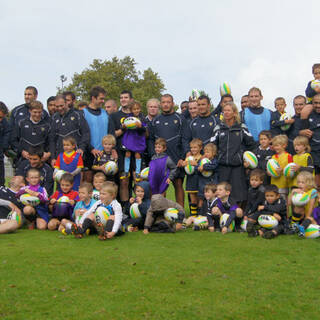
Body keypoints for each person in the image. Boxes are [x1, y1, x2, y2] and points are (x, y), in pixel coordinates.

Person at [211, 102, 255, 203]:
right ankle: (224, 218)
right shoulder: (218, 128)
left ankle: (238, 217)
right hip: (222, 166)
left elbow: (251, 144)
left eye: (228, 110)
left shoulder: (242, 127)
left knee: (238, 196)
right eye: (224, 110)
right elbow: (212, 145)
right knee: (221, 195)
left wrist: (246, 160)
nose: (226, 113)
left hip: (237, 167)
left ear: (234, 113)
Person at [148, 94, 186, 207]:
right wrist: (152, 155)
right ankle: (160, 213)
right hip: (160, 160)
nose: (165, 104)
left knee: (178, 185)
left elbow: (185, 139)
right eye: (163, 102)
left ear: (173, 104)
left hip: (176, 158)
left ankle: (181, 213)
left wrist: (182, 157)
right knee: (160, 187)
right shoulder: (155, 120)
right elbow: (150, 139)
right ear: (160, 104)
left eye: (168, 102)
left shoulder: (180, 119)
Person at [82, 86, 115, 182]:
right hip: (89, 154)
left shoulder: (106, 114)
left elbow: (111, 133)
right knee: (88, 184)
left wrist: (113, 149)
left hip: (105, 154)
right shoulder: (83, 113)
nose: (103, 101)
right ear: (93, 98)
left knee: (105, 186)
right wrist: (91, 149)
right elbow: (82, 135)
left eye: (104, 98)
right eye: (101, 98)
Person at [49, 94, 90, 166]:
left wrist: (81, 148)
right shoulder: (54, 118)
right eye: (57, 106)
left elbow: (86, 133)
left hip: (76, 156)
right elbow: (52, 139)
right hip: (60, 157)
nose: (59, 108)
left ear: (66, 103)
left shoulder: (77, 115)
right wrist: (53, 157)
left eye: (61, 106)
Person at [110, 90, 133, 208]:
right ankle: (124, 208)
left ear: (131, 100)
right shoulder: (114, 116)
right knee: (123, 181)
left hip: (135, 154)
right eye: (121, 97)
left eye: (126, 97)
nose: (123, 99)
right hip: (121, 153)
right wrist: (124, 128)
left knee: (136, 182)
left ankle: (135, 208)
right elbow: (112, 135)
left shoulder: (137, 115)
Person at [11, 100, 51, 166]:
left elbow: (51, 142)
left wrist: (48, 153)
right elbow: (13, 140)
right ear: (30, 111)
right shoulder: (21, 123)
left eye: (39, 112)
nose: (37, 114)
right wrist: (21, 151)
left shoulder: (47, 125)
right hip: (24, 160)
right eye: (35, 112)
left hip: (41, 161)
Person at [122, 100, 147, 181]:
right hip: (130, 138)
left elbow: (144, 130)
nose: (136, 110)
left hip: (138, 139)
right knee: (127, 153)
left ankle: (137, 172)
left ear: (140, 109)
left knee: (137, 154)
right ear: (131, 110)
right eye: (134, 109)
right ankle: (126, 171)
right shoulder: (128, 117)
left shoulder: (142, 118)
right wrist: (124, 126)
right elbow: (123, 127)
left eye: (138, 109)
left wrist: (140, 126)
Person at [299, 94, 320, 188]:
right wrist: (302, 131)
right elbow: (298, 132)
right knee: (315, 183)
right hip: (314, 153)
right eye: (315, 103)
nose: (318, 105)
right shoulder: (307, 115)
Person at [289, 172, 318, 237]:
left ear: (309, 183)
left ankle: (301, 228)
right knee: (298, 207)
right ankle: (294, 225)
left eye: (302, 182)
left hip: (312, 215)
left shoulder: (313, 191)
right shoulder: (299, 191)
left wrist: (307, 217)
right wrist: (293, 193)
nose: (300, 184)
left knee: (310, 219)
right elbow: (289, 203)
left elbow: (311, 206)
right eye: (298, 182)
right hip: (302, 214)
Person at [183, 138, 203, 216]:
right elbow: (186, 171)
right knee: (193, 200)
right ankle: (193, 216)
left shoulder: (202, 158)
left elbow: (203, 169)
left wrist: (196, 164)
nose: (193, 149)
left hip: (199, 181)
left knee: (199, 200)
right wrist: (184, 165)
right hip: (190, 181)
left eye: (195, 147)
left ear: (200, 148)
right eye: (191, 147)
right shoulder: (188, 158)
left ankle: (200, 215)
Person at [268, 135, 293, 199]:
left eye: (277, 145)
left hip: (283, 184)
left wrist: (283, 170)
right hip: (274, 184)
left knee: (283, 202)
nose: (275, 147)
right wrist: (269, 172)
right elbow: (269, 169)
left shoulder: (288, 156)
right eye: (274, 146)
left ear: (284, 145)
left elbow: (291, 171)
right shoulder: (273, 157)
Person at [197, 143, 218, 210]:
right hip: (202, 184)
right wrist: (198, 168)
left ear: (214, 153)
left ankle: (212, 212)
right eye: (205, 152)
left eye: (208, 152)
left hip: (212, 183)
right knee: (201, 199)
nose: (206, 154)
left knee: (213, 199)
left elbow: (213, 166)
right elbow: (197, 167)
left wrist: (204, 166)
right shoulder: (202, 161)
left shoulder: (215, 161)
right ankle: (199, 213)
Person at [0, 102, 10, 186]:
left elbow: (7, 137)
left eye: (2, 118)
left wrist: (5, 148)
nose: (0, 120)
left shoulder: (4, 123)